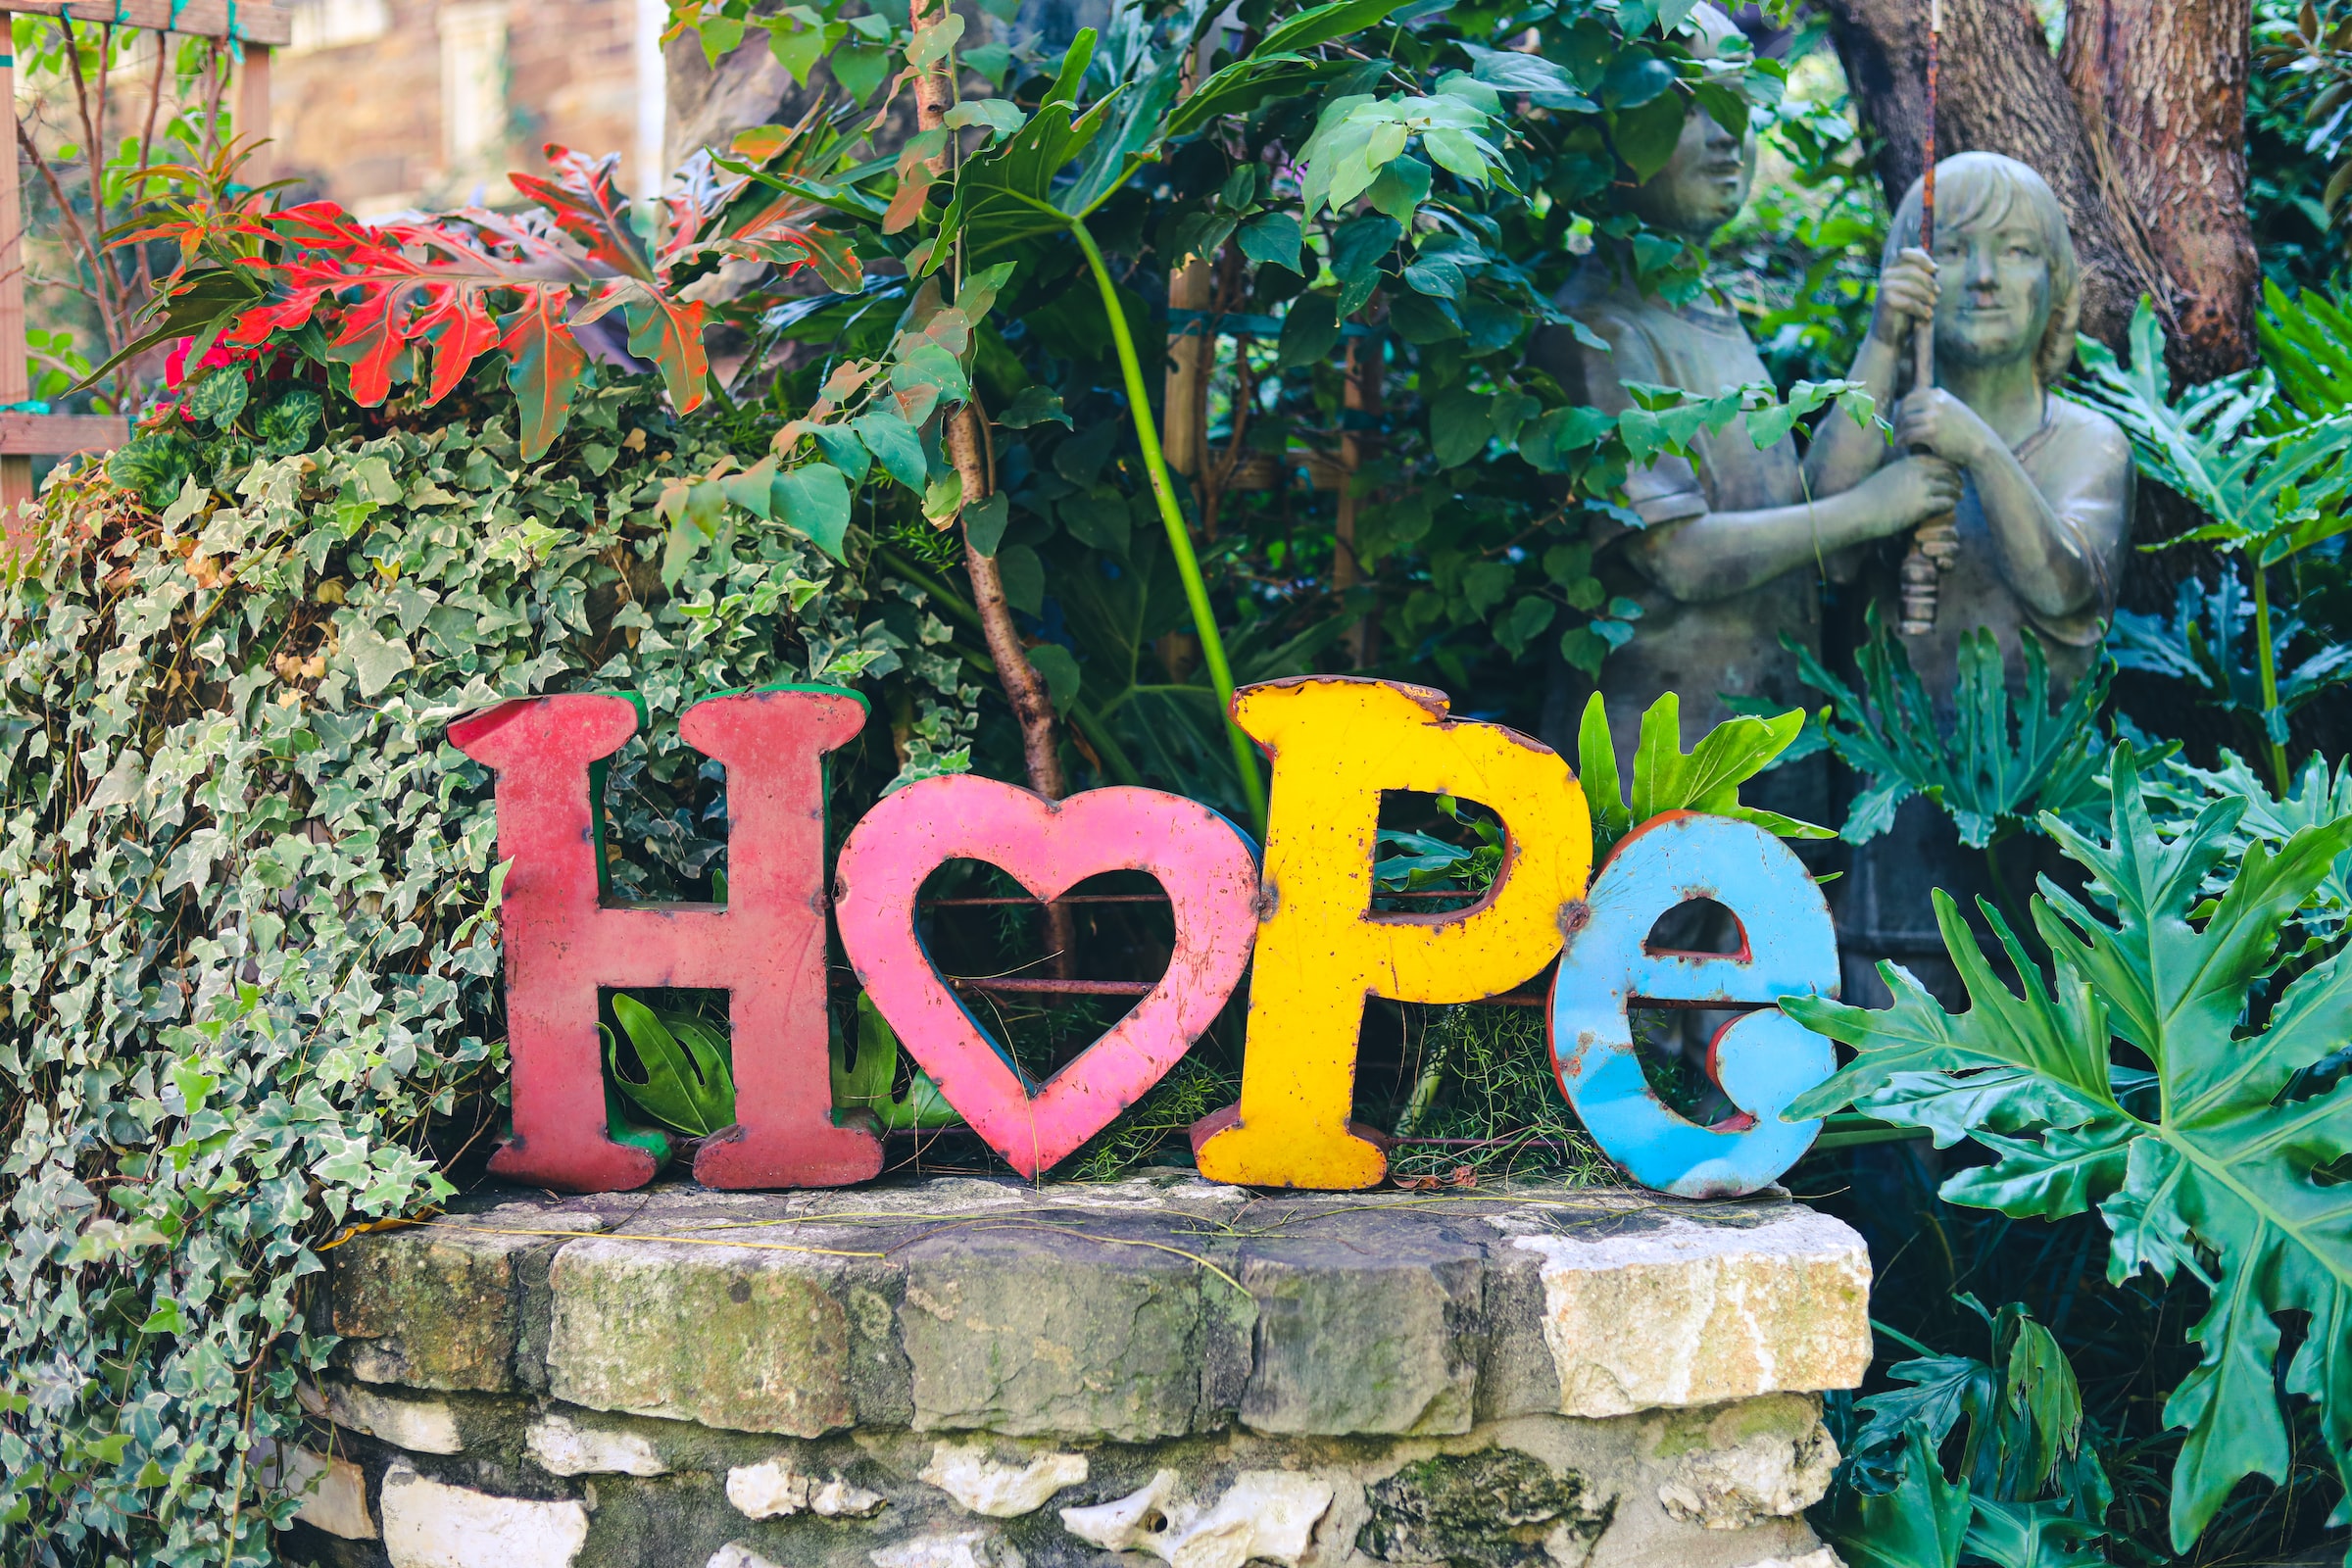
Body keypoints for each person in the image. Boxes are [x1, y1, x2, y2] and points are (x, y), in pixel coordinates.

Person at [1528, 26, 1963, 822]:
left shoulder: (1708, 314)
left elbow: (1808, 511)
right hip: (1657, 775)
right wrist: (1877, 507)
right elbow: (1681, 560)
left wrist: (1883, 340)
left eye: (1739, 102)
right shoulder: (1596, 331)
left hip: (1765, 750)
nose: (1730, 136)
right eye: (1692, 106)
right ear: (1603, 131)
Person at [1808, 150, 2134, 702]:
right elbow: (1821, 553)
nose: (1985, 278)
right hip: (1892, 771)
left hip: (2035, 773)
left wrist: (1980, 449)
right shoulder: (1879, 440)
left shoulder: (2091, 445)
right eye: (1953, 251)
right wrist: (1883, 341)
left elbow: (2066, 592)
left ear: (2055, 281)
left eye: (2016, 251)